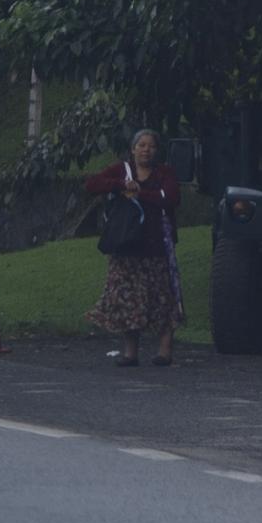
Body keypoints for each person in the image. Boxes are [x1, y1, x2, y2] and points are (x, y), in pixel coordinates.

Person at [84, 128, 183, 368]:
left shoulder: (164, 173)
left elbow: (170, 198)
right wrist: (120, 185)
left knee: (163, 298)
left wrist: (140, 194)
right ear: (133, 149)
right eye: (142, 145)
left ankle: (164, 351)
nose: (146, 150)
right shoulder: (122, 170)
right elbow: (92, 184)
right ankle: (130, 353)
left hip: (156, 245)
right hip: (127, 246)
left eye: (151, 146)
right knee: (128, 299)